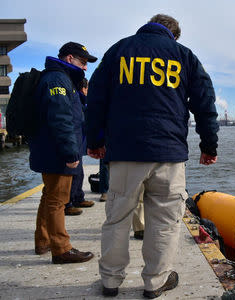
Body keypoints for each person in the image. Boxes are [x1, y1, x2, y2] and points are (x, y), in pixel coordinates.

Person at [86, 14, 219, 298]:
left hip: (125, 153)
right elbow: (205, 103)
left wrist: (95, 141)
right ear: (174, 35)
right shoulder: (184, 56)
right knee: (164, 220)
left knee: (117, 217)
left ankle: (110, 280)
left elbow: (96, 99)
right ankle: (156, 281)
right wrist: (209, 146)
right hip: (168, 154)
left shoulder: (119, 51)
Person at [29, 42, 97, 264]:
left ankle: (43, 241)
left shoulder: (58, 78)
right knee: (58, 200)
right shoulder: (58, 80)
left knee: (49, 196)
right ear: (70, 59)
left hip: (50, 149)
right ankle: (61, 248)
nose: (85, 68)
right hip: (57, 152)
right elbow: (61, 119)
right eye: (83, 62)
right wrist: (70, 153)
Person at [65, 78, 95, 216]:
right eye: (87, 88)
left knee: (79, 173)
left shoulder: (81, 100)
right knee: (73, 174)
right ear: (83, 89)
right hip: (74, 142)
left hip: (79, 142)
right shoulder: (77, 99)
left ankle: (78, 197)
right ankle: (68, 203)